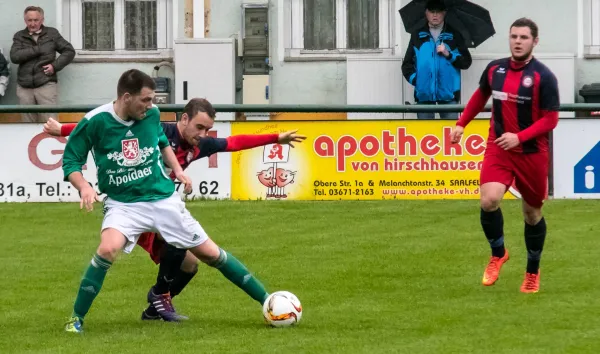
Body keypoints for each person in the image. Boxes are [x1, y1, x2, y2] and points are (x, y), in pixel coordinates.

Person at [61, 69, 295, 333]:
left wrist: (178, 170)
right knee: (107, 249)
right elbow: (71, 161)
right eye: (146, 100)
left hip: (162, 200)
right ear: (127, 97)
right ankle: (75, 318)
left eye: (152, 100)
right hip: (123, 203)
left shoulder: (151, 116)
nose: (152, 106)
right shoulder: (95, 121)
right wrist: (83, 186)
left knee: (209, 254)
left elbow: (162, 143)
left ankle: (268, 300)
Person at [450, 18, 560, 293]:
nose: (518, 41)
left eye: (524, 37)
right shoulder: (495, 69)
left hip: (532, 153)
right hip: (499, 147)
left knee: (532, 214)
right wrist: (461, 123)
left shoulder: (543, 77)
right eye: (514, 36)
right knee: (489, 201)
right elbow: (480, 96)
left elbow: (551, 120)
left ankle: (532, 272)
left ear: (535, 42)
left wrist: (520, 137)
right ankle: (498, 253)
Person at [401, 0, 472, 120]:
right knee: (426, 135)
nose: (435, 15)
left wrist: (448, 54)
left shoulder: (454, 35)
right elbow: (406, 65)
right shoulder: (417, 36)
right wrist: (417, 81)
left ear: (444, 13)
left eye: (438, 12)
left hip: (449, 96)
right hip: (424, 96)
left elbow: (466, 62)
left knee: (450, 135)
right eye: (431, 11)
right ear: (426, 13)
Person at [10, 6, 75, 122]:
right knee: (27, 123)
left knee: (50, 122)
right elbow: (15, 57)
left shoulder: (52, 33)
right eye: (29, 20)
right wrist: (38, 49)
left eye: (36, 20)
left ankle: (51, 141)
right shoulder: (19, 36)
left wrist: (54, 66)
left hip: (46, 83)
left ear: (42, 20)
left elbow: (69, 51)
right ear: (25, 20)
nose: (33, 23)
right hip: (24, 87)